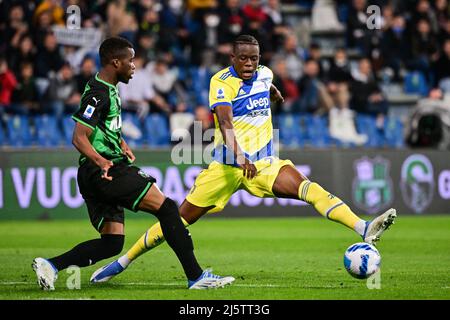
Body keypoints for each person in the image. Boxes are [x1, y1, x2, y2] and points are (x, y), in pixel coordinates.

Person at [91, 35, 397, 283]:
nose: (250, 63)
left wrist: (275, 93)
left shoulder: (265, 74)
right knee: (178, 217)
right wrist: (240, 157)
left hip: (263, 164)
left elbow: (266, 84)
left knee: (308, 188)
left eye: (255, 58)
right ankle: (122, 261)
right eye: (244, 58)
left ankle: (363, 227)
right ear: (232, 59)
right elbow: (224, 123)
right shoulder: (220, 82)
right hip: (227, 167)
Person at [31, 37, 234, 291]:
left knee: (112, 243)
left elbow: (103, 128)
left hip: (96, 171)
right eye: (131, 60)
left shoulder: (108, 87)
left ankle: (49, 265)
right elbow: (78, 137)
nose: (134, 66)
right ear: (116, 62)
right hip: (104, 171)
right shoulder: (98, 94)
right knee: (169, 208)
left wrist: (121, 142)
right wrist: (102, 160)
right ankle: (196, 276)